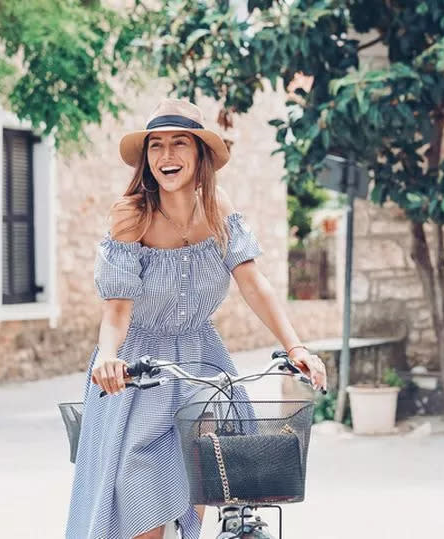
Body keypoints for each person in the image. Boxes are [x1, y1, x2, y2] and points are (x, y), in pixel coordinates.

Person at [66, 98, 328, 539]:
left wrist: (295, 346)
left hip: (202, 362)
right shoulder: (131, 214)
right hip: (138, 372)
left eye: (179, 143)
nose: (166, 157)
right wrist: (107, 358)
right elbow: (116, 308)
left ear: (200, 154)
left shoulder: (217, 207)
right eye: (156, 146)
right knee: (141, 509)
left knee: (195, 498)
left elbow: (252, 282)